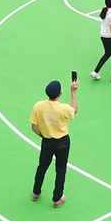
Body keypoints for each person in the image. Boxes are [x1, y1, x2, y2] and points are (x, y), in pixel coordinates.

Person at [30, 79, 77, 209]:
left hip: (47, 141)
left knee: (42, 167)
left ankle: (36, 192)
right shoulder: (63, 108)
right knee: (60, 170)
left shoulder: (38, 106)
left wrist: (44, 135)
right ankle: (57, 198)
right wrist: (73, 92)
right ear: (59, 93)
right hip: (62, 142)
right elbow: (74, 110)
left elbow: (34, 127)